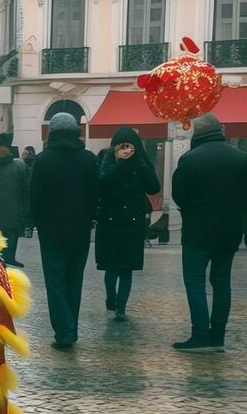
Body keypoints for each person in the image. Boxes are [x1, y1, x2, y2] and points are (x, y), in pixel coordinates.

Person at [171, 113, 247, 352]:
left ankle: (200, 335)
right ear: (220, 130)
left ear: (198, 132)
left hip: (197, 231)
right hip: (230, 230)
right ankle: (218, 337)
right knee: (222, 281)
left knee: (194, 281)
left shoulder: (190, 159)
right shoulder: (241, 159)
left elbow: (178, 195)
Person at [30, 112, 99, 350]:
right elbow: (94, 194)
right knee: (74, 279)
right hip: (80, 229)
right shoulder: (88, 159)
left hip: (51, 230)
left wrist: (35, 221)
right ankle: (71, 327)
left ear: (53, 132)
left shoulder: (43, 160)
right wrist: (91, 219)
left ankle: (64, 330)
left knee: (55, 280)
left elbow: (35, 196)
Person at [95, 128, 160, 323]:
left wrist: (136, 162)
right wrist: (120, 163)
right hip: (110, 221)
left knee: (126, 268)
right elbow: (102, 182)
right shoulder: (108, 158)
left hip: (132, 222)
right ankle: (111, 298)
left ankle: (121, 307)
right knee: (111, 266)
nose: (125, 149)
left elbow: (153, 186)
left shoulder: (139, 162)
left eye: (128, 145)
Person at [0, 133, 29, 268]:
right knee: (2, 235)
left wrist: (26, 210)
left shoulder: (18, 166)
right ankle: (3, 259)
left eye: (4, 146)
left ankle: (9, 258)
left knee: (13, 233)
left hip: (14, 209)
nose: (2, 150)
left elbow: (25, 189)